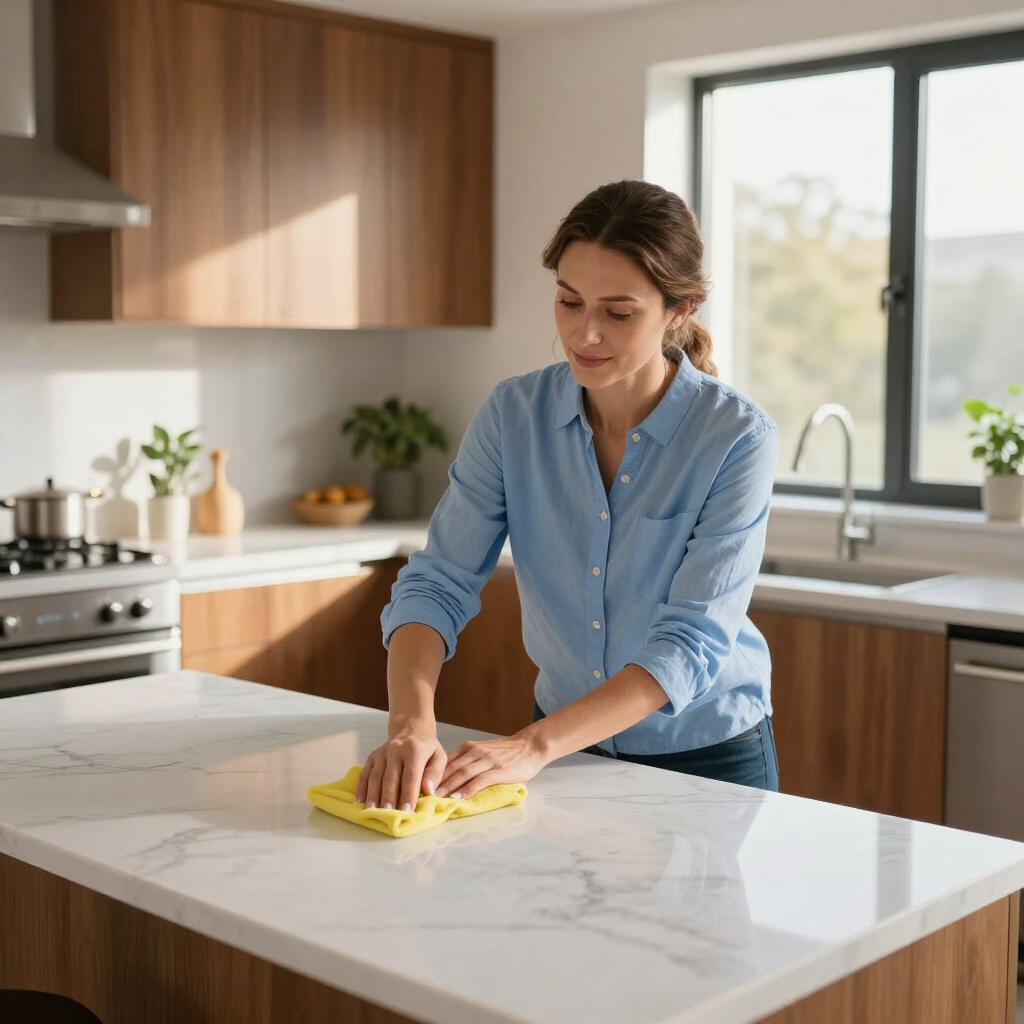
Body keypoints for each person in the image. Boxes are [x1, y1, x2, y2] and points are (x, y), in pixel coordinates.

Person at [355, 179, 780, 813]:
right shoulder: (512, 414)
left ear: (678, 310)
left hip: (705, 759)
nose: (584, 334)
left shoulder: (735, 436)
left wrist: (529, 748)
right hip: (563, 752)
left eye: (618, 312)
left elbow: (689, 641)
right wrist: (410, 724)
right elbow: (438, 581)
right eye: (569, 301)